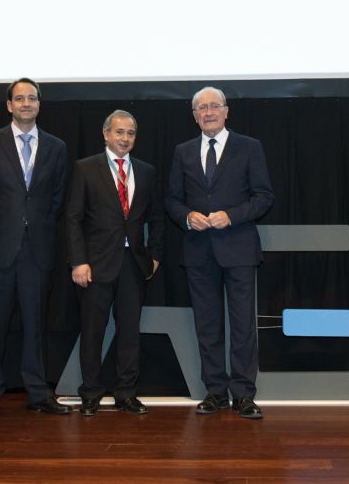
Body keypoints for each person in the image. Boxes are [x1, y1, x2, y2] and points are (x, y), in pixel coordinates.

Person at [165, 86, 274, 419]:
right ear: (194, 115)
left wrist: (232, 215)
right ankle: (215, 392)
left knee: (242, 326)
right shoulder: (183, 151)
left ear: (226, 111)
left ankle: (243, 394)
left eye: (214, 106)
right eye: (201, 108)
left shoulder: (249, 147)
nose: (208, 112)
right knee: (207, 325)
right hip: (199, 251)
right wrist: (186, 216)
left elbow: (263, 196)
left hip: (238, 248)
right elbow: (171, 199)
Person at [0, 78, 70, 421]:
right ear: (9, 105)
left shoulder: (56, 146)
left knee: (36, 326)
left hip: (38, 249)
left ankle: (39, 393)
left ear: (39, 105)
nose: (26, 103)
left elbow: (57, 198)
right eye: (20, 98)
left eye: (32, 98)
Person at [66, 110, 165, 416]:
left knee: (129, 332)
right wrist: (78, 261)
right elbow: (73, 219)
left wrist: (155, 255)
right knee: (93, 331)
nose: (125, 139)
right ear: (106, 134)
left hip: (133, 264)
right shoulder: (85, 168)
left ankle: (126, 393)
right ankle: (91, 392)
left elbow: (157, 217)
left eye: (131, 133)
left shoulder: (146, 171)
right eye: (119, 132)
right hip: (95, 265)